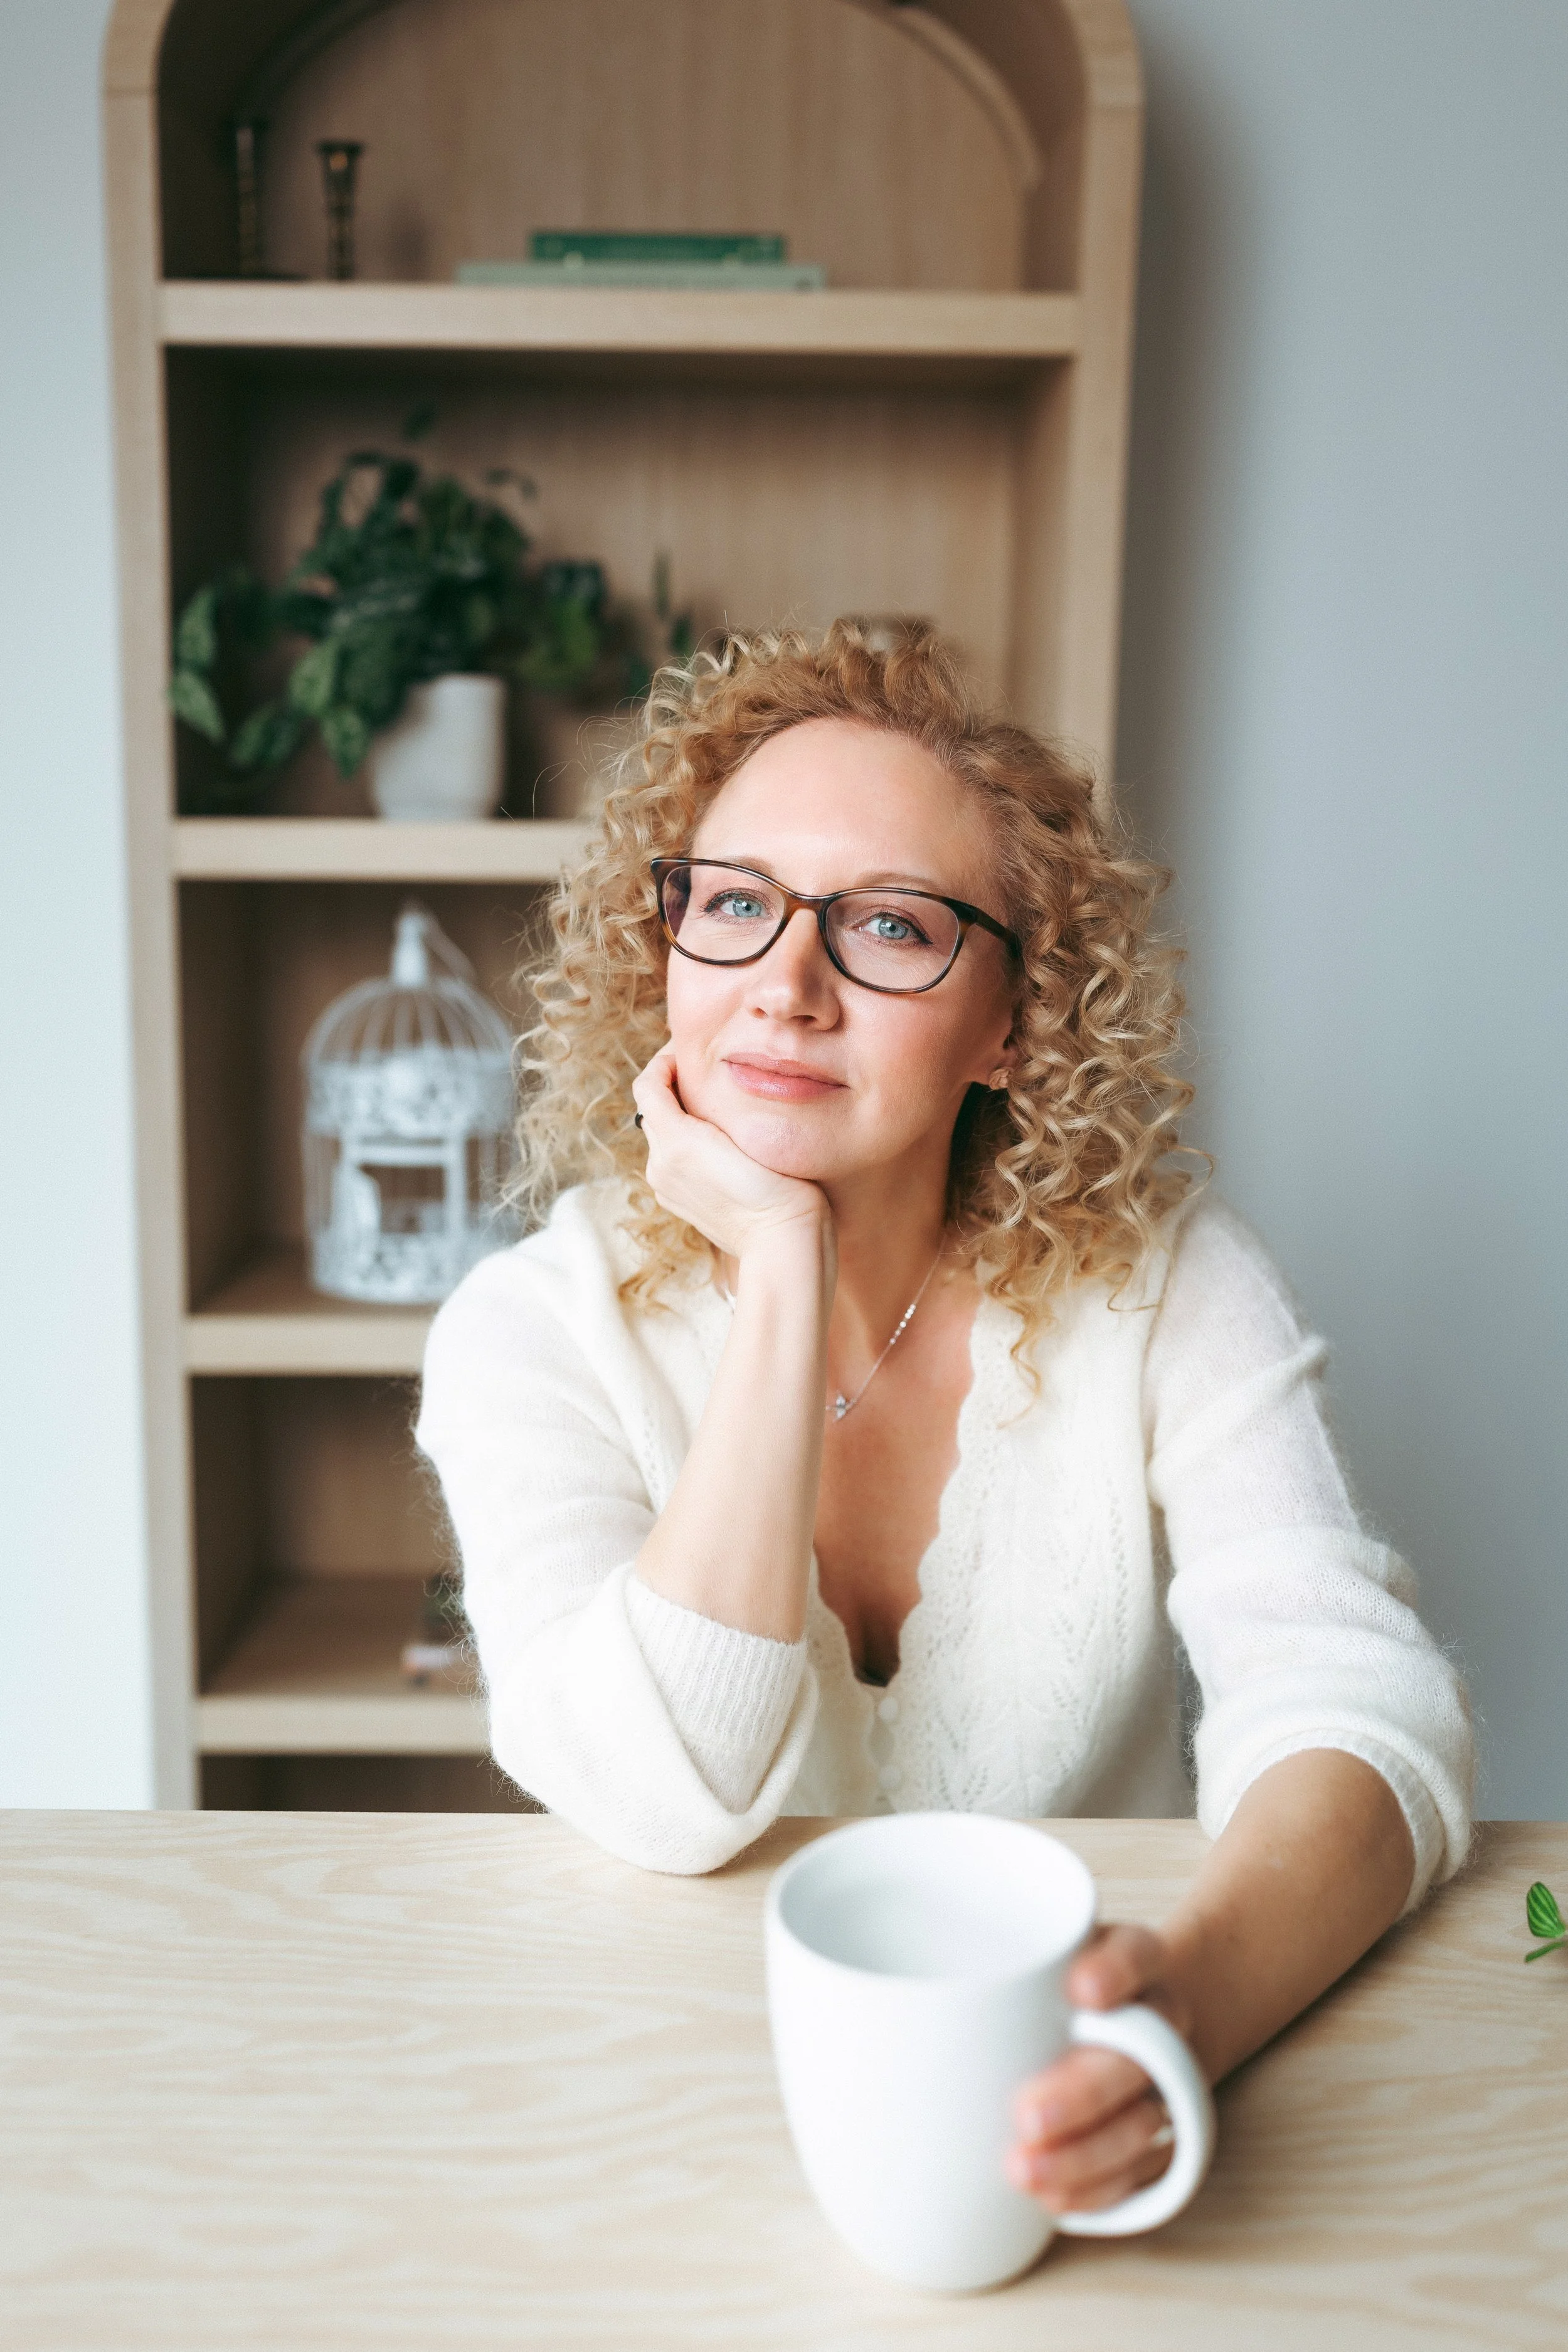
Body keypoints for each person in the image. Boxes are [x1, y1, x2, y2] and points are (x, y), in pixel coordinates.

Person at [415, 619, 1472, 2222]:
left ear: (1012, 1024)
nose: (784, 987)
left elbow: (1359, 1707)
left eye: (890, 927)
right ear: (661, 952)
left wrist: (1184, 2011)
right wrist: (783, 1266)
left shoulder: (1164, 1286)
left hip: (1068, 2081)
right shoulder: (529, 1331)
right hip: (650, 2112)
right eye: (736, 905)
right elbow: (656, 1793)